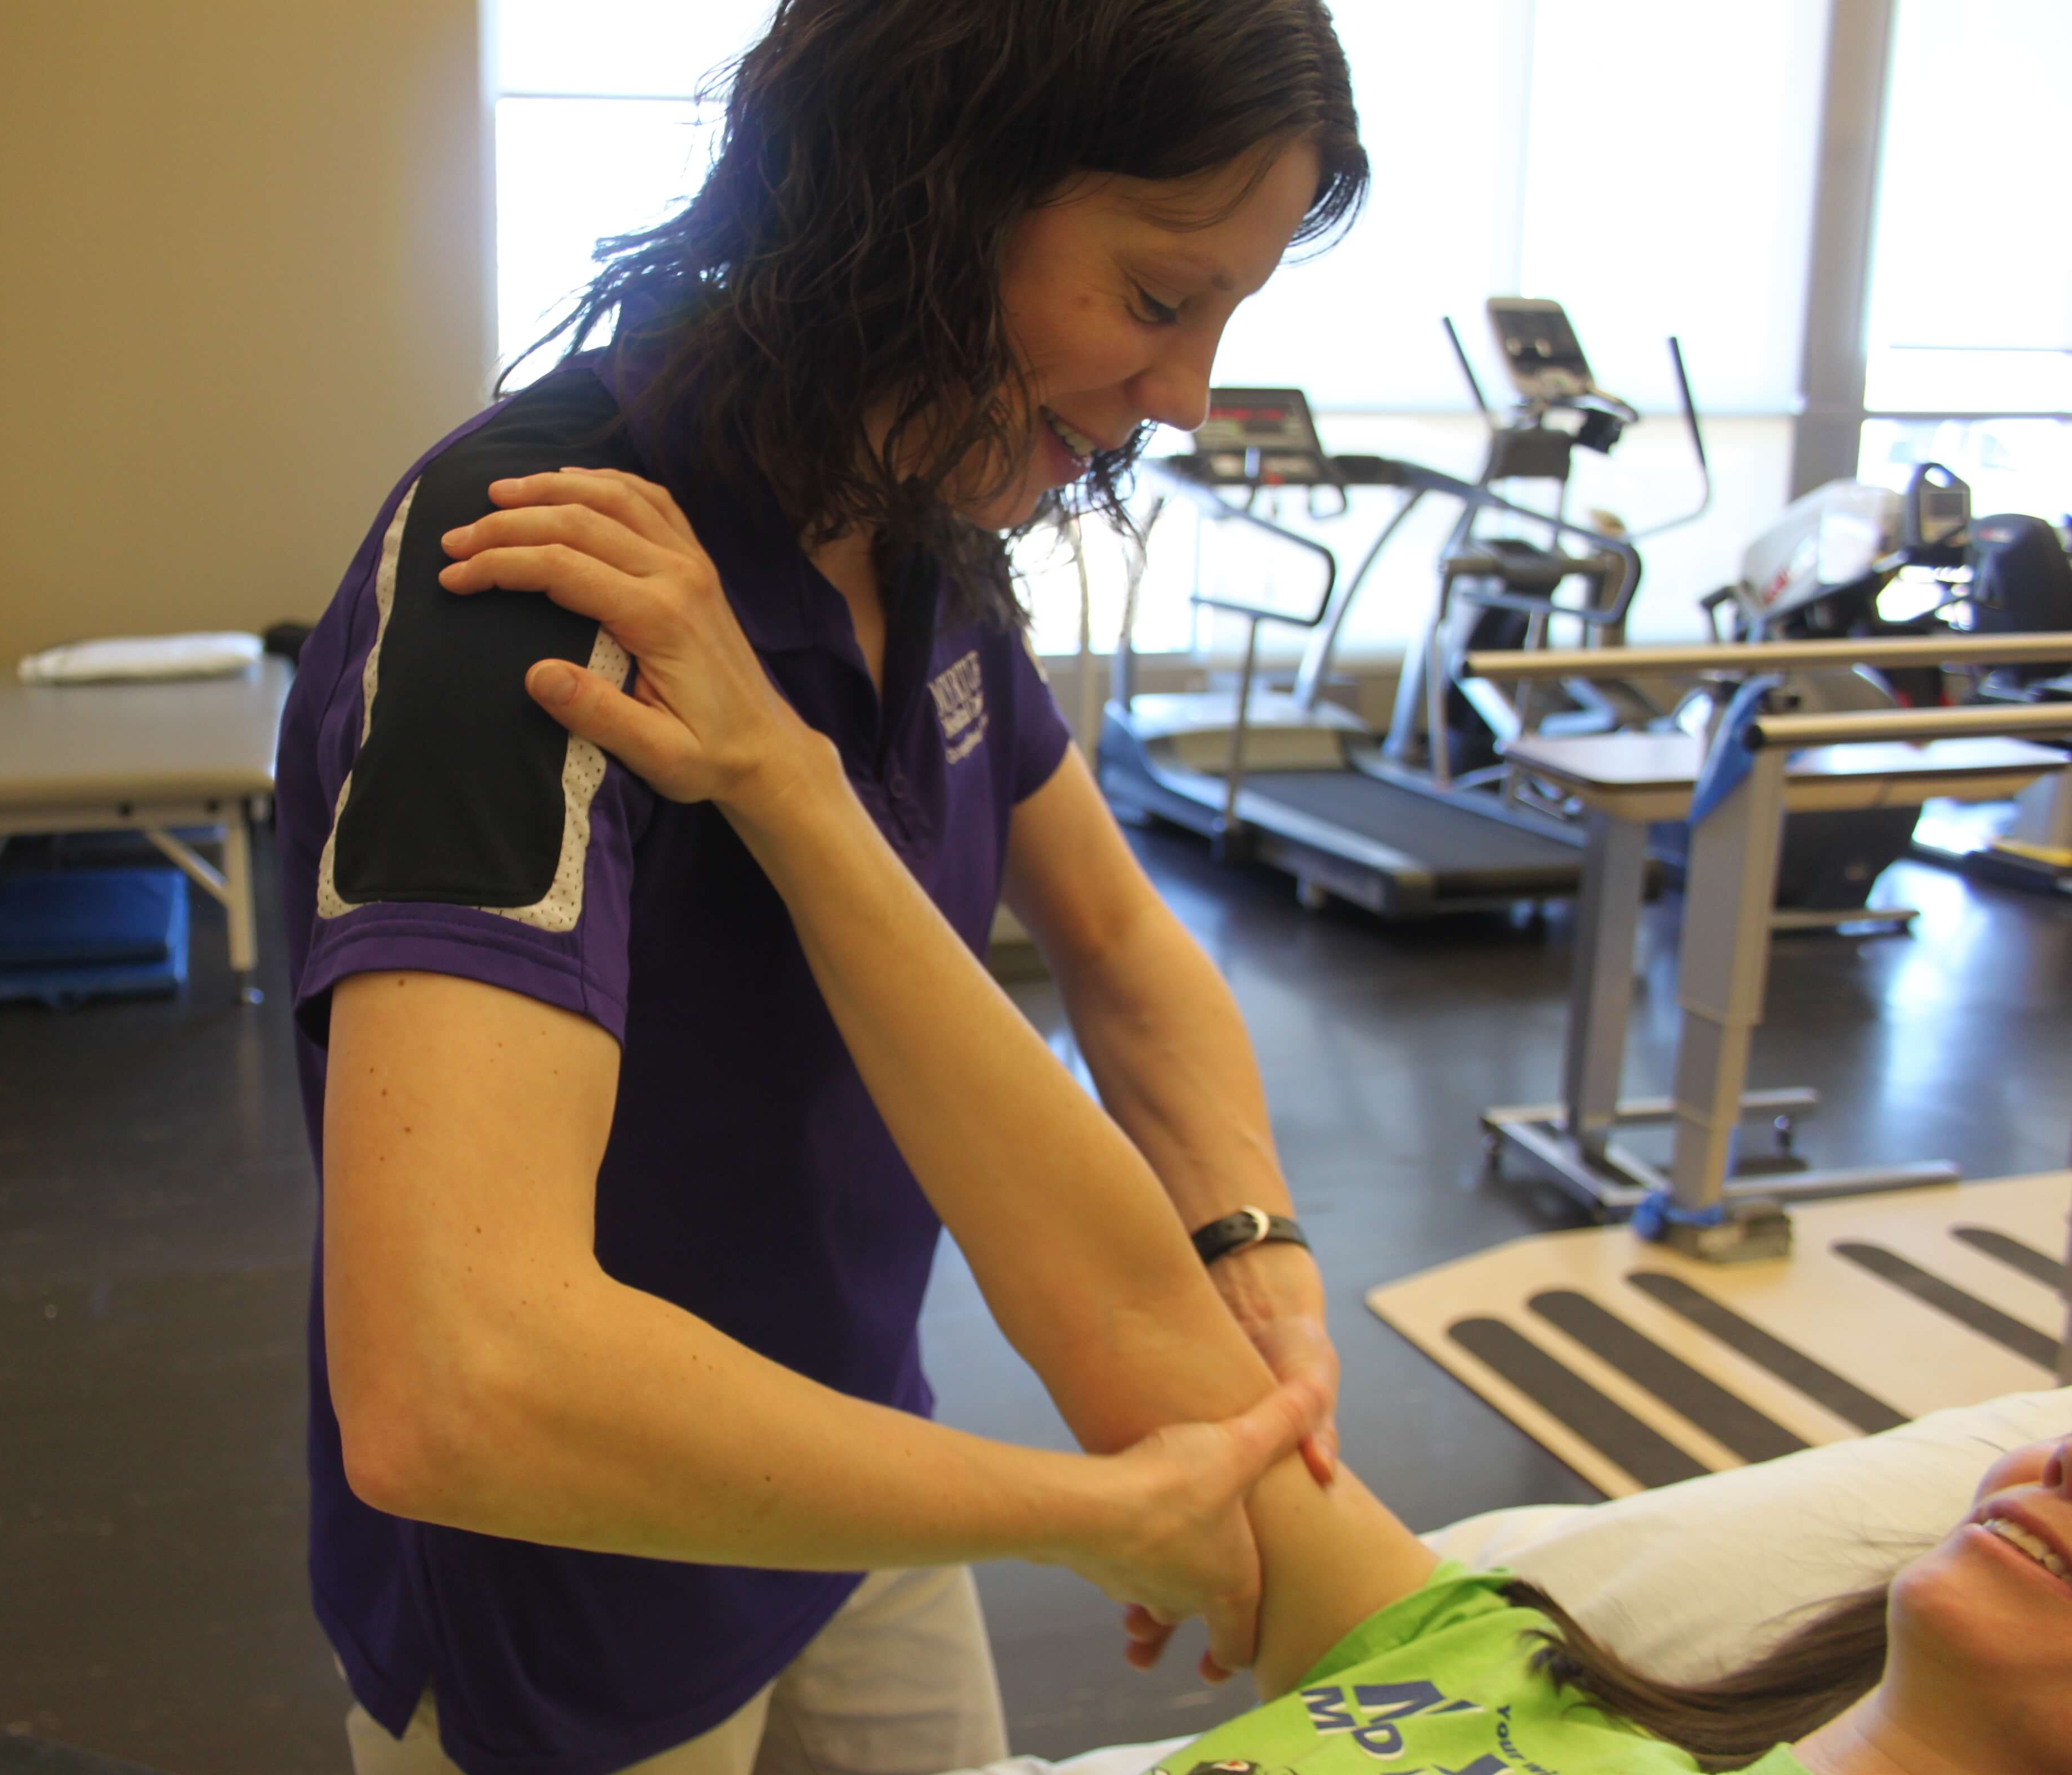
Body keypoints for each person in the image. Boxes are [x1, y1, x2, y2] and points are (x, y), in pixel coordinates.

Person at [437, 456, 2072, 1775]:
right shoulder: (1547, 1674)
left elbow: (1126, 957)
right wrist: (788, 783)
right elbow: (1130, 1306)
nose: (2055, 1459)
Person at [275, 3, 1368, 1773]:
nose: (1180, 394)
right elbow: (451, 1383)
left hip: (861, 1471)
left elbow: (1113, 932)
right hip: (583, 1584)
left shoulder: (926, 519)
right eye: (1160, 303)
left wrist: (1253, 1246)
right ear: (931, 199)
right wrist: (1075, 1509)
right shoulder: (550, 564)